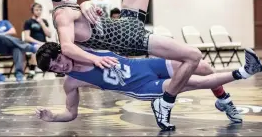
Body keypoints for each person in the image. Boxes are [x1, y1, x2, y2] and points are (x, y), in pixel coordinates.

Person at [42, 0, 207, 129]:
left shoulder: (70, 9)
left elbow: (80, 25)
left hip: (127, 21)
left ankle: (222, 98)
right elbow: (66, 47)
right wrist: (96, 59)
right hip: (132, 39)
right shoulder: (61, 15)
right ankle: (166, 102)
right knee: (193, 56)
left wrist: (85, 4)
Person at [35, 42, 262, 130]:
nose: (60, 66)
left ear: (62, 51)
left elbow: (73, 16)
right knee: (196, 82)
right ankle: (245, 71)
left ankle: (223, 101)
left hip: (145, 65)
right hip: (142, 85)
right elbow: (71, 112)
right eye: (54, 67)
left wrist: (86, 6)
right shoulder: (72, 82)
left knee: (202, 67)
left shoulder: (82, 47)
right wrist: (53, 117)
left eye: (58, 59)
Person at [0, 9, 38, 82]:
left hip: (10, 45)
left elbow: (13, 31)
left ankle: (19, 74)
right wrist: (0, 36)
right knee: (2, 37)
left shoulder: (5, 22)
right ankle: (28, 47)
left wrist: (1, 34)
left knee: (17, 48)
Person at [23, 3, 51, 79]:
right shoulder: (28, 22)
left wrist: (42, 23)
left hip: (44, 44)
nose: (38, 11)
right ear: (32, 11)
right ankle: (32, 71)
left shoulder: (44, 21)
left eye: (40, 10)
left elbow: (49, 35)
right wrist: (39, 43)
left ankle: (58, 70)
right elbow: (27, 37)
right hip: (33, 44)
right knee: (36, 47)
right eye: (36, 10)